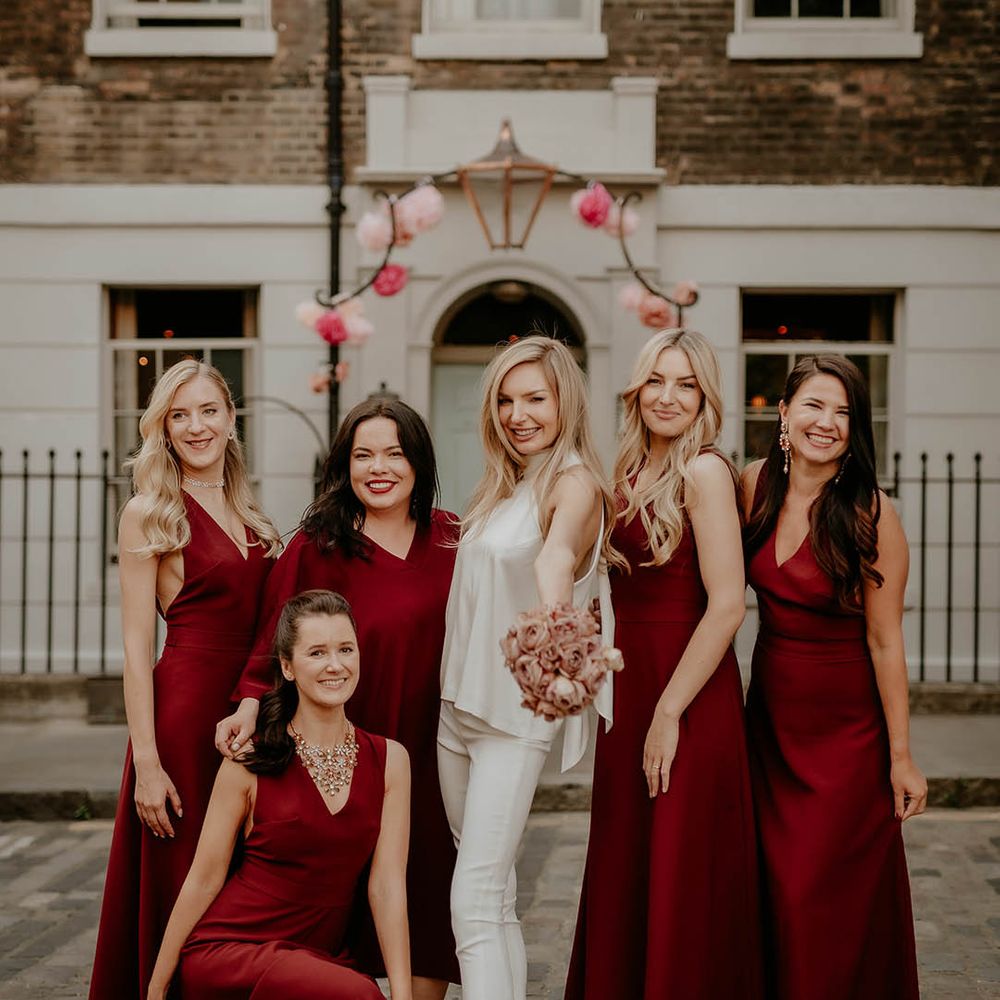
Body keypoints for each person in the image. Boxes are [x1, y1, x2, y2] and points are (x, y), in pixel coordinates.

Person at [216, 397, 459, 998]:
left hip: (431, 750)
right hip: (340, 752)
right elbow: (271, 642)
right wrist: (248, 704)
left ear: (419, 462)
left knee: (425, 890)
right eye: (363, 455)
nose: (379, 468)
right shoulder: (317, 545)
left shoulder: (453, 539)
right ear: (344, 465)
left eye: (394, 454)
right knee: (337, 900)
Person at [565, 329, 763, 1000]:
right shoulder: (624, 471)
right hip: (632, 690)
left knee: (681, 865)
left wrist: (668, 712)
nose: (668, 396)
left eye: (686, 384)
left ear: (705, 397)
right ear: (636, 389)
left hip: (688, 695)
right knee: (628, 858)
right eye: (656, 380)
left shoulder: (704, 471)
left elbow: (728, 605)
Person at [89, 360, 280, 1000]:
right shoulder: (149, 513)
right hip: (184, 716)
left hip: (252, 710)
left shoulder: (251, 512)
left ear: (231, 418)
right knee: (185, 878)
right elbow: (136, 647)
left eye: (208, 411)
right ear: (163, 429)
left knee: (242, 878)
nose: (196, 426)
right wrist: (146, 762)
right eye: (179, 415)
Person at [438, 335, 619, 1000]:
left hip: (514, 719)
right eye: (506, 401)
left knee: (472, 903)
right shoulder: (502, 487)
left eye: (535, 399)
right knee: (496, 896)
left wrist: (558, 630)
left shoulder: (574, 483)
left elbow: (557, 556)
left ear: (565, 402)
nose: (518, 415)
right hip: (455, 711)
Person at [741, 354, 926, 1000]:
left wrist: (900, 757)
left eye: (844, 412)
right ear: (783, 412)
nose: (827, 422)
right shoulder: (752, 486)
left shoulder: (872, 512)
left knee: (817, 897)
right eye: (814, 405)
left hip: (846, 737)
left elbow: (885, 640)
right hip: (769, 728)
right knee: (772, 890)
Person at [146, 589, 412, 1000]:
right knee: (359, 995)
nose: (336, 665)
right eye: (317, 653)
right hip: (232, 952)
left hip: (320, 962)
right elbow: (203, 878)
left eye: (346, 649)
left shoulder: (391, 760)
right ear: (287, 667)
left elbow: (387, 886)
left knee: (354, 990)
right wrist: (157, 986)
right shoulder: (249, 761)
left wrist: (403, 994)